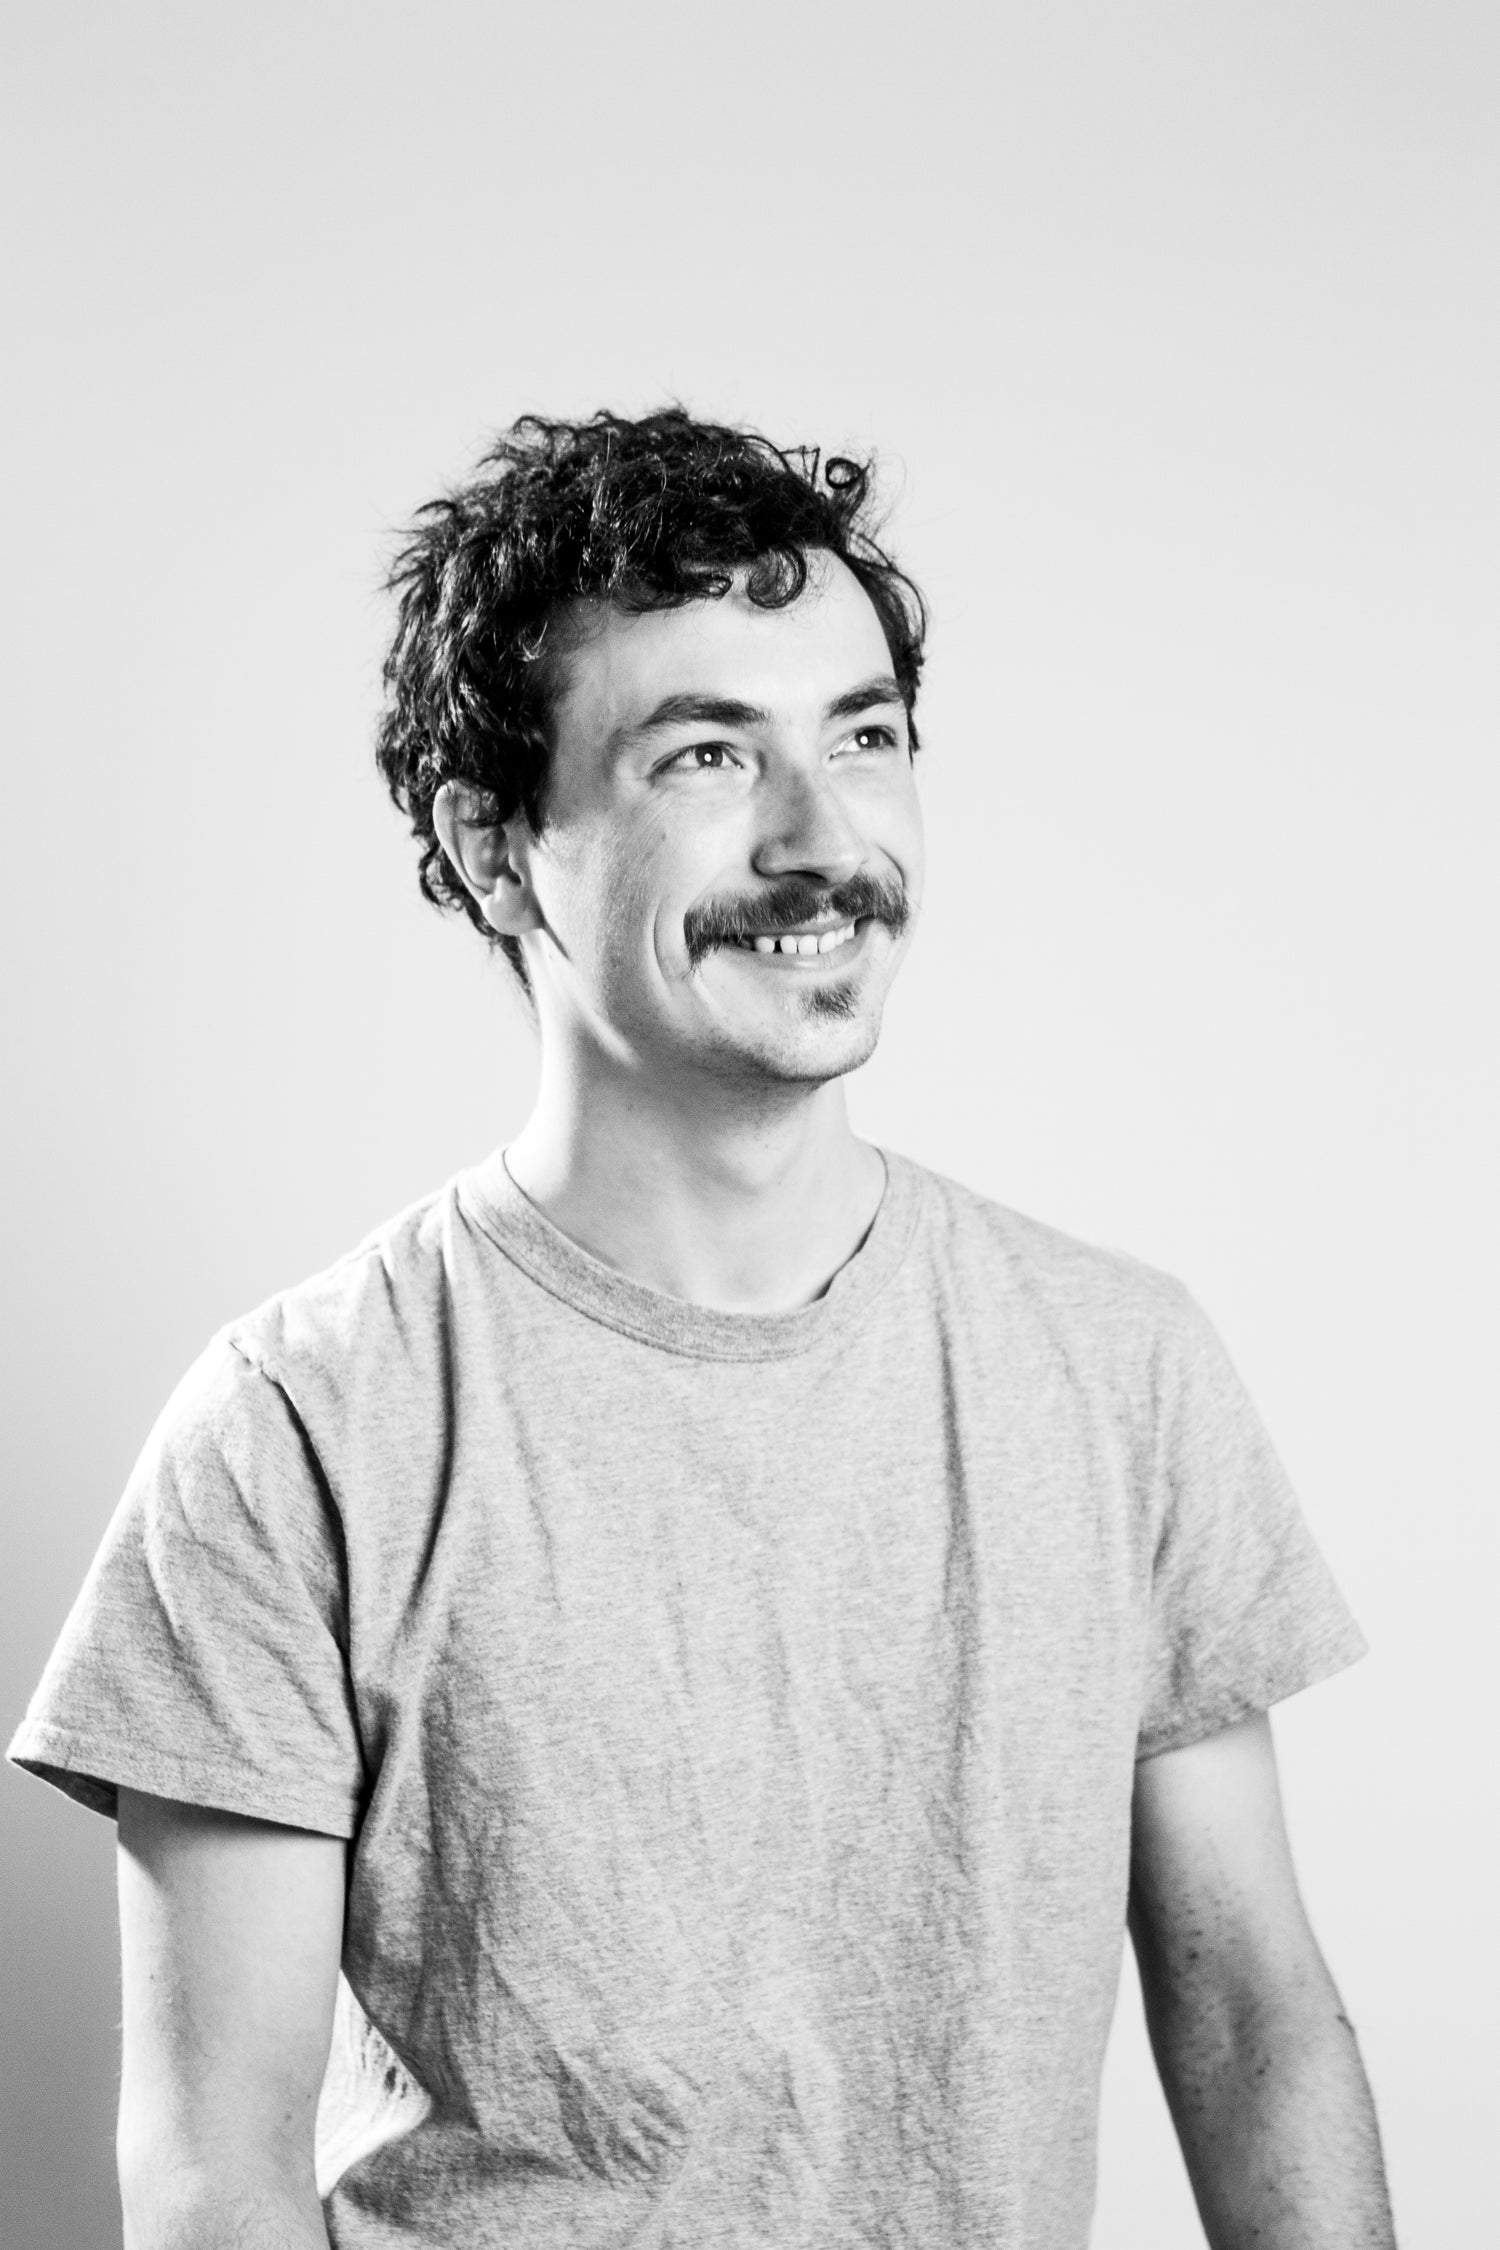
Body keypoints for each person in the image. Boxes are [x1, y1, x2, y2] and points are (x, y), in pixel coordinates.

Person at [9, 409, 1396, 2250]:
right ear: (495, 848)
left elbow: (1253, 2022)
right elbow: (212, 2173)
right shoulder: (296, 1430)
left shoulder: (1120, 1366)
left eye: (865, 737)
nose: (825, 840)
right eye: (708, 755)